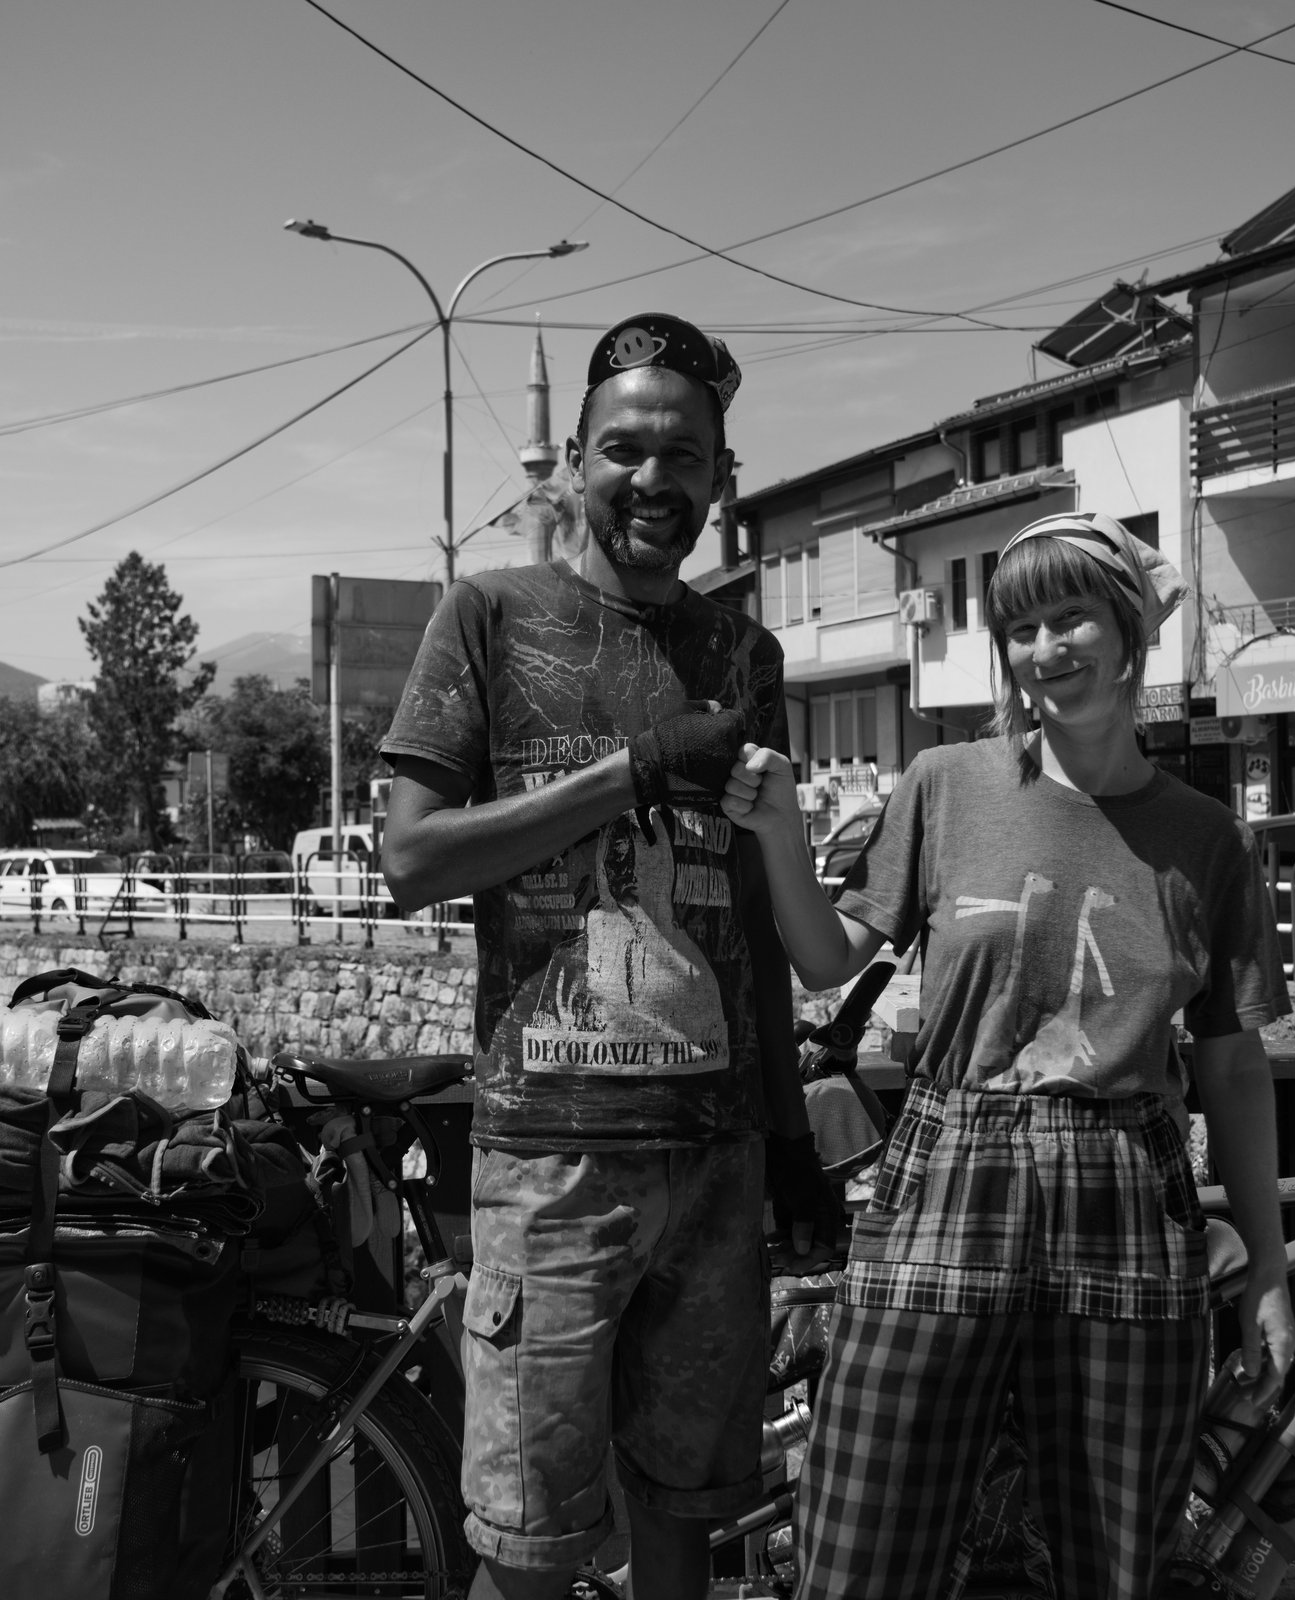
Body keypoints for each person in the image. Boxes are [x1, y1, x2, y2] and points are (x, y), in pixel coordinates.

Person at [722, 510, 1295, 1600]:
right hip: (950, 1167)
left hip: (1127, 1192)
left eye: (1069, 616)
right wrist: (779, 840)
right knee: (860, 1537)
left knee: (1112, 1559)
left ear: (1129, 629)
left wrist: (1267, 1268)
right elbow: (824, 956)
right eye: (1019, 626)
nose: (1043, 650)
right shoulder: (945, 783)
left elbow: (1229, 1066)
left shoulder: (1208, 839)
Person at [379, 313, 836, 1600]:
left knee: (687, 1525)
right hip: (550, 1162)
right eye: (624, 450)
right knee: (528, 1548)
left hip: (716, 1161)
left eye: (683, 456)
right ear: (572, 461)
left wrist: (788, 1136)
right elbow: (412, 858)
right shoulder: (487, 614)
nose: (653, 481)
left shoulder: (746, 655)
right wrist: (630, 772)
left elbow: (748, 913)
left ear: (719, 477)